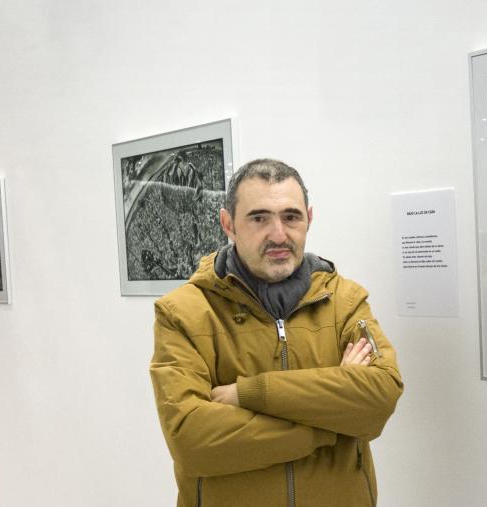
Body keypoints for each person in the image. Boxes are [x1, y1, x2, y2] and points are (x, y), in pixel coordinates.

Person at [150, 158, 403, 507]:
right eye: (259, 218)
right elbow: (192, 442)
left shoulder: (345, 302)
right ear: (228, 224)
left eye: (291, 217)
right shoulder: (183, 313)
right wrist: (331, 421)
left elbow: (380, 398)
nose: (279, 235)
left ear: (308, 219)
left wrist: (248, 394)